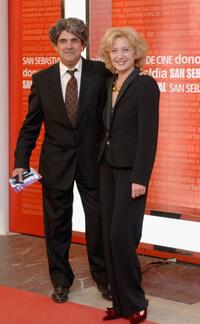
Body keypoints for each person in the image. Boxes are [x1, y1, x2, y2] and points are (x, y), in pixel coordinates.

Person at [12, 18, 112, 303]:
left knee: (98, 222)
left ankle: (103, 278)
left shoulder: (101, 73)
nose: (69, 46)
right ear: (55, 45)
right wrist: (21, 160)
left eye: (74, 40)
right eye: (63, 41)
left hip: (94, 162)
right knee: (56, 225)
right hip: (55, 164)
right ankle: (60, 280)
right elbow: (31, 125)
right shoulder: (41, 79)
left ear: (83, 44)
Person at [99, 27, 160, 323]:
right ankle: (120, 304)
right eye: (114, 51)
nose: (120, 56)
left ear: (136, 53)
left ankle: (136, 301)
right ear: (108, 56)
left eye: (125, 50)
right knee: (108, 238)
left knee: (121, 236)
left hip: (130, 174)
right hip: (107, 169)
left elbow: (149, 136)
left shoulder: (145, 85)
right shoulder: (111, 83)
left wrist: (141, 178)